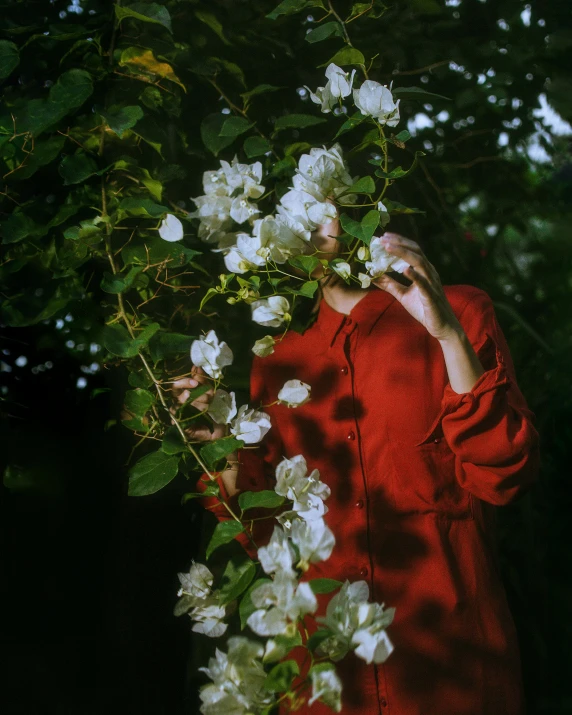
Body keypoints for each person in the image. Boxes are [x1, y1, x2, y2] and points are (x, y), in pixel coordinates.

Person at [173, 217, 540, 715]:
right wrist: (221, 446)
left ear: (369, 203)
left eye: (327, 200)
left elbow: (504, 476)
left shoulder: (459, 310)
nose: (310, 218)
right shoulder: (276, 356)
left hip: (451, 675)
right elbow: (266, 535)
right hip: (327, 681)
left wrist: (449, 336)